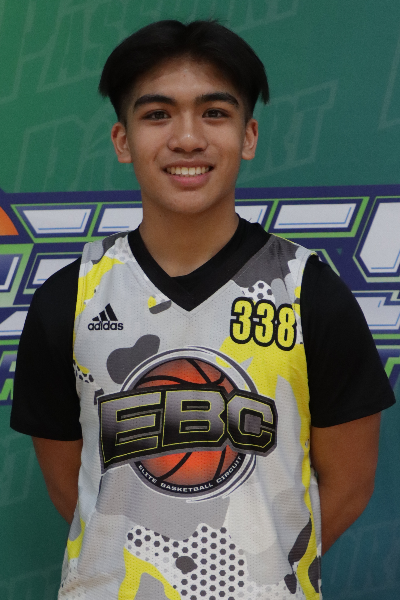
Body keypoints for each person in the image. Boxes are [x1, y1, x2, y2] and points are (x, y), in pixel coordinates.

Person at [11, 19, 395, 600]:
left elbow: (348, 486)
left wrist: (254, 574)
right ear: (122, 140)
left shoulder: (308, 292)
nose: (187, 139)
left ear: (249, 136)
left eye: (214, 112)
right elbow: (75, 487)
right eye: (157, 114)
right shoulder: (71, 298)